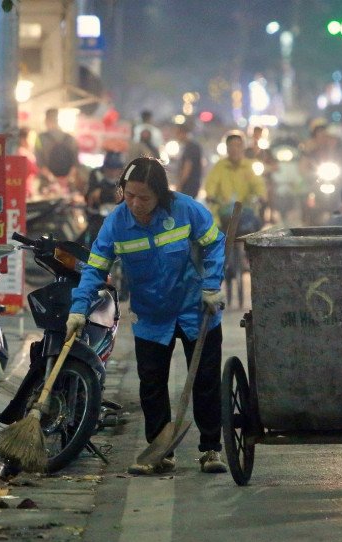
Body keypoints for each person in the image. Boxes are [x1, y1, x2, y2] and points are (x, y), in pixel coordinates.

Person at [65, 157, 228, 475]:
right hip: (151, 316)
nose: (136, 204)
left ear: (161, 195)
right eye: (129, 195)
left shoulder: (185, 209)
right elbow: (96, 268)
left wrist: (211, 286)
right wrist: (78, 308)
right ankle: (160, 450)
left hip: (196, 309)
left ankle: (211, 449)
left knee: (206, 382)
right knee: (152, 383)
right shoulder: (116, 223)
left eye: (145, 197)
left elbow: (215, 243)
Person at [204, 130, 266, 231]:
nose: (235, 149)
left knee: (255, 225)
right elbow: (211, 184)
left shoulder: (249, 166)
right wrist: (210, 195)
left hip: (245, 211)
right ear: (227, 148)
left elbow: (258, 184)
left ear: (243, 148)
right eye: (231, 146)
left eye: (238, 146)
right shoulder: (219, 166)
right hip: (224, 212)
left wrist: (261, 195)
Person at [36, 108, 79, 196]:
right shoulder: (71, 138)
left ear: (46, 120)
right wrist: (66, 181)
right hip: (68, 187)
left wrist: (54, 180)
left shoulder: (40, 138)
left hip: (47, 188)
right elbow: (75, 164)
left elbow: (39, 164)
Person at [175, 122, 204, 198]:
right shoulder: (191, 146)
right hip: (193, 184)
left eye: (178, 133)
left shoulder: (190, 147)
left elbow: (187, 167)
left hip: (189, 185)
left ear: (184, 133)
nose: (177, 136)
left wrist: (180, 184)